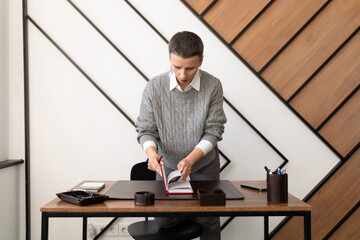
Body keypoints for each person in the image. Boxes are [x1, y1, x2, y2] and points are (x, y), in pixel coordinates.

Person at [135, 31, 227, 240]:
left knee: (209, 220)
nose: (183, 74)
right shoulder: (154, 87)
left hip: (204, 165)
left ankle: (199, 212)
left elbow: (214, 130)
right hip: (167, 165)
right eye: (177, 67)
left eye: (190, 68)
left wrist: (190, 160)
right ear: (169, 58)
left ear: (201, 61)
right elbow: (146, 129)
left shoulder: (213, 86)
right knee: (163, 220)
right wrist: (151, 154)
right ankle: (192, 211)